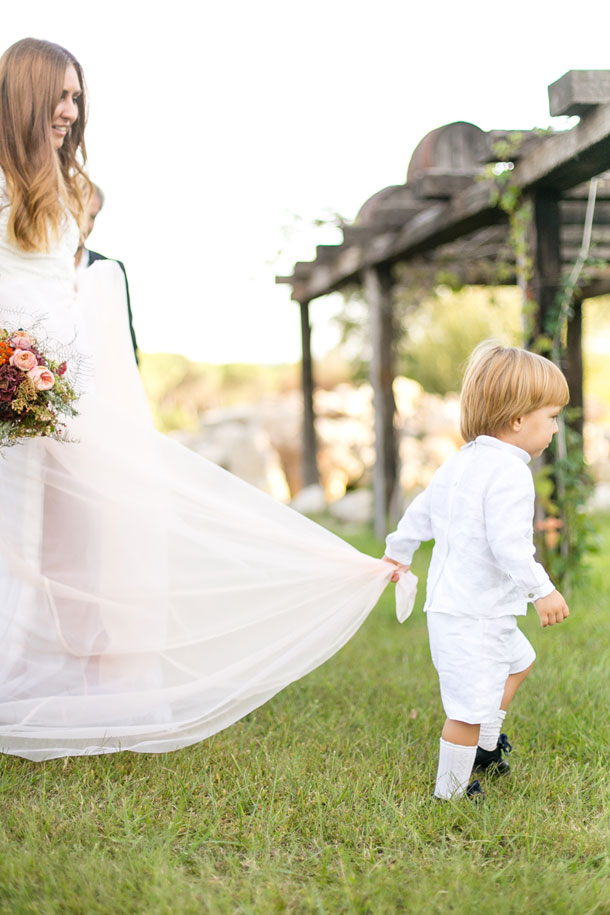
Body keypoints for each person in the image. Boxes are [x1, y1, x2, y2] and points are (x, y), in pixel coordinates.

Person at [0, 38, 398, 761]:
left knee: (97, 536)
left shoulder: (63, 184)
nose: (71, 111)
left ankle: (79, 677)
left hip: (65, 394)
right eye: (59, 95)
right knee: (15, 539)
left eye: (77, 97)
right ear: (24, 94)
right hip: (13, 394)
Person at [383, 344, 570, 801]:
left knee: (520, 662)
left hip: (459, 607)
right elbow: (509, 545)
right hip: (476, 614)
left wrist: (398, 552)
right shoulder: (510, 472)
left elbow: (420, 513)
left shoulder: (460, 461)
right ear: (518, 420)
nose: (555, 428)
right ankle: (450, 792)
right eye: (551, 417)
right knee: (466, 709)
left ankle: (484, 748)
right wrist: (542, 590)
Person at [75, 184, 139, 364]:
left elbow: (126, 336)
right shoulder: (42, 268)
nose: (85, 225)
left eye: (92, 217)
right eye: (80, 214)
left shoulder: (111, 271)